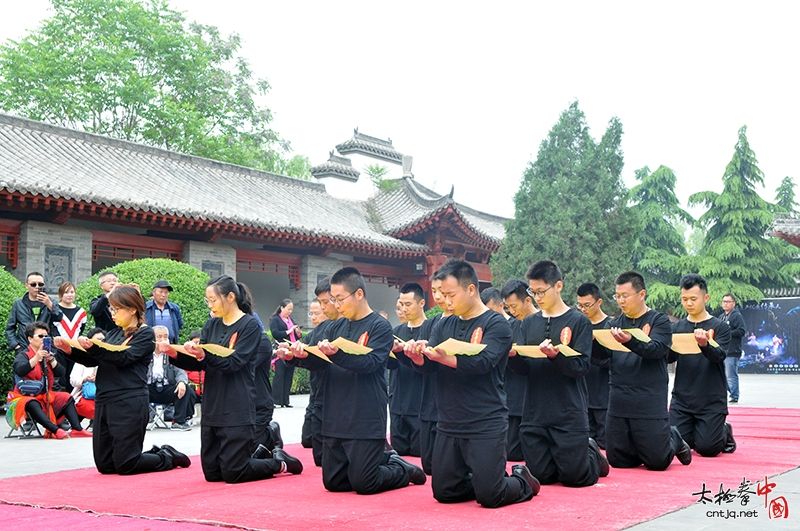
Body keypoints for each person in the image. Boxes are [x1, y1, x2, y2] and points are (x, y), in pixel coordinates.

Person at [276, 266, 425, 494]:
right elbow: (320, 363)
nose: (335, 305)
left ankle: (399, 468)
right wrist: (297, 358)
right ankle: (383, 460)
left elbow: (371, 364)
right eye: (332, 299)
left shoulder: (380, 326)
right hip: (335, 415)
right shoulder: (334, 327)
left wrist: (337, 354)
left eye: (339, 299)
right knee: (334, 483)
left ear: (358, 294)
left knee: (365, 483)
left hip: (364, 415)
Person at [404, 259, 538, 508]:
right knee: (444, 493)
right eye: (442, 294)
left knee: (491, 497)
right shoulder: (443, 324)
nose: (445, 300)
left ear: (470, 289)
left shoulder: (497, 324)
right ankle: (484, 479)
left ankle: (521, 480)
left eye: (450, 294)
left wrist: (448, 358)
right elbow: (431, 367)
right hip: (450, 421)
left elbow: (485, 362)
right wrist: (417, 359)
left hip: (485, 421)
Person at [162, 276, 301, 483]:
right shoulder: (211, 325)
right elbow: (203, 363)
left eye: (213, 300)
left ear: (230, 297)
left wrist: (203, 354)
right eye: (207, 301)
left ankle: (280, 462)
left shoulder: (250, 326)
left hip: (237, 404)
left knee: (234, 472)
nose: (210, 305)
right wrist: (174, 353)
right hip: (213, 404)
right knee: (212, 474)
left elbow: (234, 362)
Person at [56, 285, 190, 474]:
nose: (113, 313)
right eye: (111, 308)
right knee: (105, 466)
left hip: (129, 400)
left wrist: (95, 348)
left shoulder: (145, 334)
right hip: (105, 400)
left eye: (117, 309)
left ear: (132, 309)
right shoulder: (114, 333)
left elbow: (123, 358)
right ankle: (154, 454)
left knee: (127, 464)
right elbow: (96, 359)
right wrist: (69, 350)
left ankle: (166, 456)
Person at [507, 261, 607, 487]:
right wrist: (513, 357)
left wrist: (556, 356)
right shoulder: (528, 323)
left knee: (575, 479)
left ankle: (591, 452)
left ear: (558, 286)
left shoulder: (579, 321)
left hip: (568, 413)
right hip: (535, 413)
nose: (538, 297)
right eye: (533, 292)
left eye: (542, 291)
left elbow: (581, 367)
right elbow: (524, 370)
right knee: (542, 477)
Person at [593, 271, 692, 470]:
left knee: (657, 462)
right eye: (617, 296)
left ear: (641, 294)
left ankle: (673, 436)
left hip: (648, 398)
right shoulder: (613, 324)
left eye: (625, 296)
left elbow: (657, 350)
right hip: (619, 398)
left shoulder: (659, 321)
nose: (621, 301)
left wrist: (631, 341)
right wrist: (593, 342)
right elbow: (601, 357)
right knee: (619, 461)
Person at [669, 274, 736, 456]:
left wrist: (704, 344)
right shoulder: (677, 328)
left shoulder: (720, 327)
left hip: (711, 400)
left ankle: (724, 430)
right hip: (683, 399)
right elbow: (669, 357)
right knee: (676, 443)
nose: (688, 303)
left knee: (707, 449)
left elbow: (719, 355)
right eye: (684, 299)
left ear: (705, 298)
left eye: (693, 299)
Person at [7, 322, 89, 439]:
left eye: (46, 337)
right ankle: (55, 430)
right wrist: (36, 358)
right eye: (40, 336)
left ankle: (77, 429)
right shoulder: (23, 355)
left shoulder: (48, 355)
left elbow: (61, 373)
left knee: (66, 397)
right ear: (30, 339)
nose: (44, 339)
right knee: (31, 402)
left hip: (44, 394)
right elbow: (19, 370)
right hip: (23, 395)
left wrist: (51, 359)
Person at [296, 278, 341, 466]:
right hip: (320, 393)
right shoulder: (322, 328)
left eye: (325, 303)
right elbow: (310, 354)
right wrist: (294, 355)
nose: (321, 310)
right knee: (320, 457)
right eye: (319, 304)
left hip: (343, 398)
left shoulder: (361, 324)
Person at [500, 279, 537, 461]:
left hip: (538, 398)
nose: (512, 312)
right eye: (508, 307)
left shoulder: (543, 324)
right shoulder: (509, 327)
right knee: (512, 454)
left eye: (514, 306)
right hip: (514, 398)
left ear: (528, 300)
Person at [388, 283, 427, 457]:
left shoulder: (432, 330)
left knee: (421, 454)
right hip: (398, 401)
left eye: (408, 304)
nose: (403, 309)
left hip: (421, 404)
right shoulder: (396, 331)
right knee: (399, 454)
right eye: (401, 304)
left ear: (421, 303)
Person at [576, 282, 611, 449]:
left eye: (587, 305)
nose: (583, 309)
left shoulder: (611, 326)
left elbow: (613, 360)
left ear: (599, 302)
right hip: (583, 396)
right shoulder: (578, 326)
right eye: (580, 305)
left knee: (605, 444)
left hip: (604, 396)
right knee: (586, 444)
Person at [147, 325, 197, 431]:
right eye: (159, 337)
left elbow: (180, 371)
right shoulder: (145, 354)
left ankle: (179, 422)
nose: (163, 340)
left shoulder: (172, 354)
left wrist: (182, 382)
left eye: (165, 337)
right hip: (148, 388)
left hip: (167, 388)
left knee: (187, 390)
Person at [6, 272, 62, 355]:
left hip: (45, 347)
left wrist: (49, 305)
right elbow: (10, 327)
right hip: (24, 348)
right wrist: (16, 346)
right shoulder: (18, 304)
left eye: (40, 284)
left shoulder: (51, 302)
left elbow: (59, 318)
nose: (37, 287)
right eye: (33, 284)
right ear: (26, 286)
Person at [52, 281, 88, 392]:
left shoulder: (81, 312)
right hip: (58, 349)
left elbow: (81, 330)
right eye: (66, 292)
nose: (69, 295)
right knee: (60, 377)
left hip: (74, 349)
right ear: (60, 294)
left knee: (72, 376)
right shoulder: (55, 310)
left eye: (72, 292)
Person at [69, 327, 105, 429]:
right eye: (97, 340)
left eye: (102, 339)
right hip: (84, 395)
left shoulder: (110, 358)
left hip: (103, 395)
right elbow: (73, 380)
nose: (100, 342)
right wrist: (86, 379)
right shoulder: (83, 358)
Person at [270, 298, 301, 408]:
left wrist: (297, 332)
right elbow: (275, 333)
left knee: (289, 374)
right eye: (288, 309)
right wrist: (288, 331)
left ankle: (285, 400)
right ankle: (275, 400)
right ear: (282, 308)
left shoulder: (291, 321)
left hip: (291, 349)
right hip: (281, 349)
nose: (290, 311)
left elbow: (297, 336)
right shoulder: (275, 320)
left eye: (291, 309)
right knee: (280, 374)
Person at [718, 293, 746, 404]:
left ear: (733, 303)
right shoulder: (722, 317)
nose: (725, 304)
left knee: (731, 375)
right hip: (722, 351)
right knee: (722, 375)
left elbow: (742, 331)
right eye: (724, 301)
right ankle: (730, 392)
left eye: (728, 302)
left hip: (732, 351)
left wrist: (728, 333)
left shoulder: (736, 316)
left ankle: (734, 395)